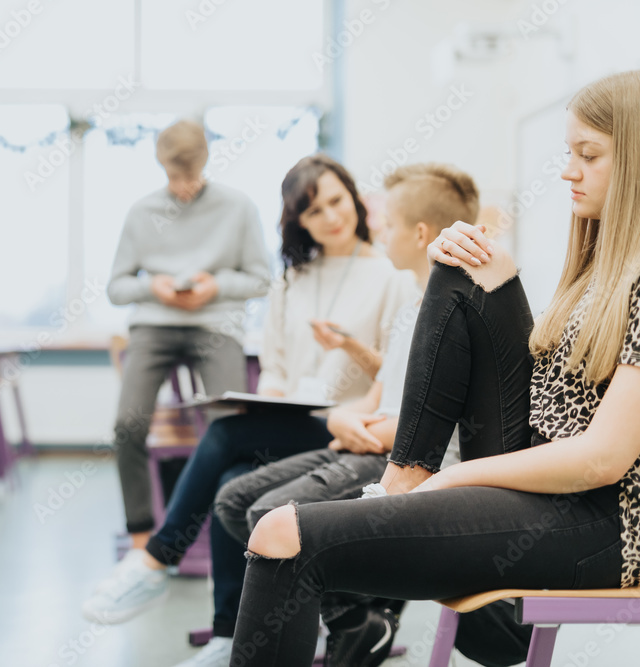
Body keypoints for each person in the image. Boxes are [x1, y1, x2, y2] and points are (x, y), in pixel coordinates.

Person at [229, 70, 640, 667]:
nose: (568, 171)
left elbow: (603, 458)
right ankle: (404, 476)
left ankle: (417, 483)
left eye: (589, 155)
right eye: (568, 153)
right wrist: (499, 285)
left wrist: (455, 480)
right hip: (541, 470)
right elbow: (550, 390)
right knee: (457, 257)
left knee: (279, 534)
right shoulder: (598, 270)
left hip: (600, 521)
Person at [85, 154, 416, 667]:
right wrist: (275, 404)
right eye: (313, 211)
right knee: (230, 476)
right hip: (297, 420)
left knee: (221, 441)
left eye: (336, 200)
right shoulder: (290, 281)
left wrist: (350, 351)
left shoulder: (391, 276)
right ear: (297, 221)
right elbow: (279, 369)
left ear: (353, 197)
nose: (331, 216)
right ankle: (225, 636)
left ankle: (156, 560)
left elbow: (396, 372)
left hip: (353, 425)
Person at [213, 163, 478, 667]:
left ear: (419, 234)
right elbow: (382, 393)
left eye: (388, 224)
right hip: (369, 439)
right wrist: (341, 420)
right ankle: (353, 619)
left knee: (260, 514)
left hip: (394, 454)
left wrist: (370, 429)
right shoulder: (411, 307)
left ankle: (349, 616)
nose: (374, 229)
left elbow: (439, 419)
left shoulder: (453, 310)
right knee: (233, 499)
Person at [107, 119, 271, 551]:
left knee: (229, 427)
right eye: (173, 177)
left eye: (191, 176)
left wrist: (215, 285)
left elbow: (261, 280)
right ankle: (142, 533)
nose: (182, 187)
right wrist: (152, 286)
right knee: (127, 424)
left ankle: (229, 526)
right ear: (160, 164)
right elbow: (116, 287)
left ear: (207, 161)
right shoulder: (142, 212)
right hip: (154, 324)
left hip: (216, 324)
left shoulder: (238, 208)